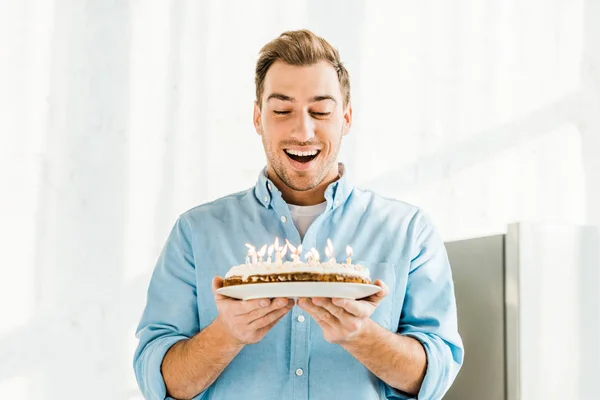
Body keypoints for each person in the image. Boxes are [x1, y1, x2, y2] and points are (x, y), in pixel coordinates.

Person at [134, 29, 463, 400]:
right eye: (282, 111)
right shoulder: (196, 232)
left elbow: (435, 377)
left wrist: (362, 335)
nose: (302, 130)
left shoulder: (408, 231)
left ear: (347, 118)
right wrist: (227, 333)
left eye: (320, 111)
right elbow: (159, 382)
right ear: (258, 118)